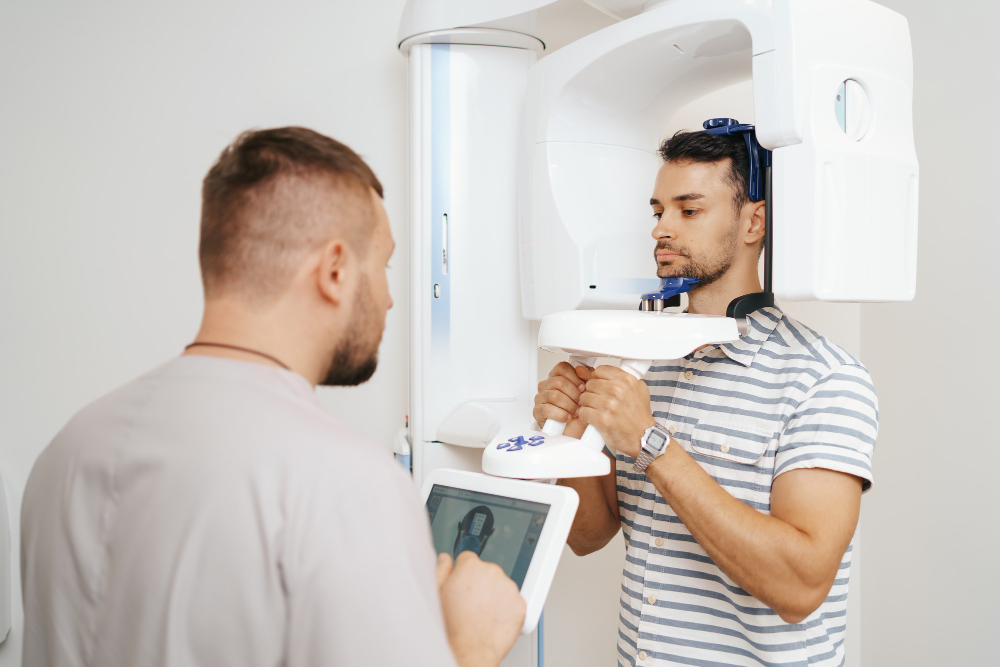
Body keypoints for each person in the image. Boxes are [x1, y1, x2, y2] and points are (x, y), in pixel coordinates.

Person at [20, 127, 525, 667]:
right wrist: (470, 645)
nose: (390, 297)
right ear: (333, 270)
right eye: (383, 265)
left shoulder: (67, 450)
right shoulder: (348, 483)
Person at [534, 129, 877, 666]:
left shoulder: (823, 378)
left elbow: (800, 587)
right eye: (658, 210)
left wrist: (651, 443)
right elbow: (589, 536)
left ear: (752, 223)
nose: (661, 229)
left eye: (689, 211)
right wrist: (573, 434)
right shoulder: (636, 361)